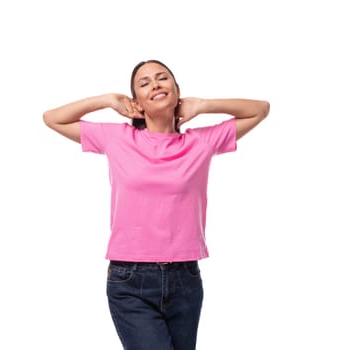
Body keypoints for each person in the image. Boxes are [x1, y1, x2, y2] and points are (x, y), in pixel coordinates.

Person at [43, 59, 270, 350]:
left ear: (177, 90)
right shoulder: (116, 138)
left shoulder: (201, 142)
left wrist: (202, 105)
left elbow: (260, 109)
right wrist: (108, 100)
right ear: (136, 101)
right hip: (130, 280)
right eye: (144, 82)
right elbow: (52, 118)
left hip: (185, 278)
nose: (155, 84)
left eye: (163, 78)